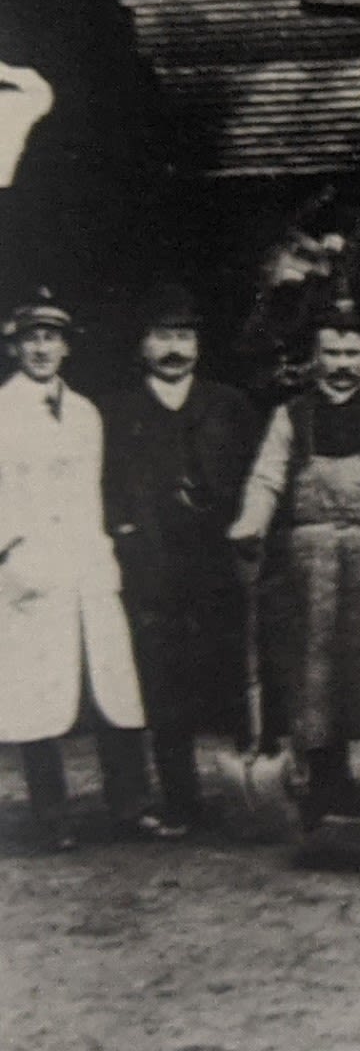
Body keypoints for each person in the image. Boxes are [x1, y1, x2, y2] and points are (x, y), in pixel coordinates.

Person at [229, 306, 360, 826]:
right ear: (314, 359)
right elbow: (267, 479)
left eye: (352, 353)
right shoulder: (291, 415)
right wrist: (251, 523)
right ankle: (327, 787)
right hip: (312, 558)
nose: (342, 364)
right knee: (315, 672)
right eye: (332, 353)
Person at [101, 283, 259, 836]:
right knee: (163, 685)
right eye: (163, 336)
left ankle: (250, 795)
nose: (174, 347)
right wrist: (124, 533)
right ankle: (182, 801)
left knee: (236, 676)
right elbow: (105, 487)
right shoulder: (116, 412)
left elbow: (253, 480)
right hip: (153, 565)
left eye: (184, 336)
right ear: (142, 345)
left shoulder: (229, 405)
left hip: (218, 564)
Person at [0, 293, 155, 850]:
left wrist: (103, 550)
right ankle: (51, 819)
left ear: (66, 347)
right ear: (15, 345)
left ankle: (129, 807)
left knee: (113, 687)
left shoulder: (87, 412)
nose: (41, 349)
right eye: (31, 338)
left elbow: (94, 492)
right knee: (36, 695)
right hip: (29, 567)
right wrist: (10, 554)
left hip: (87, 562)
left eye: (51, 339)